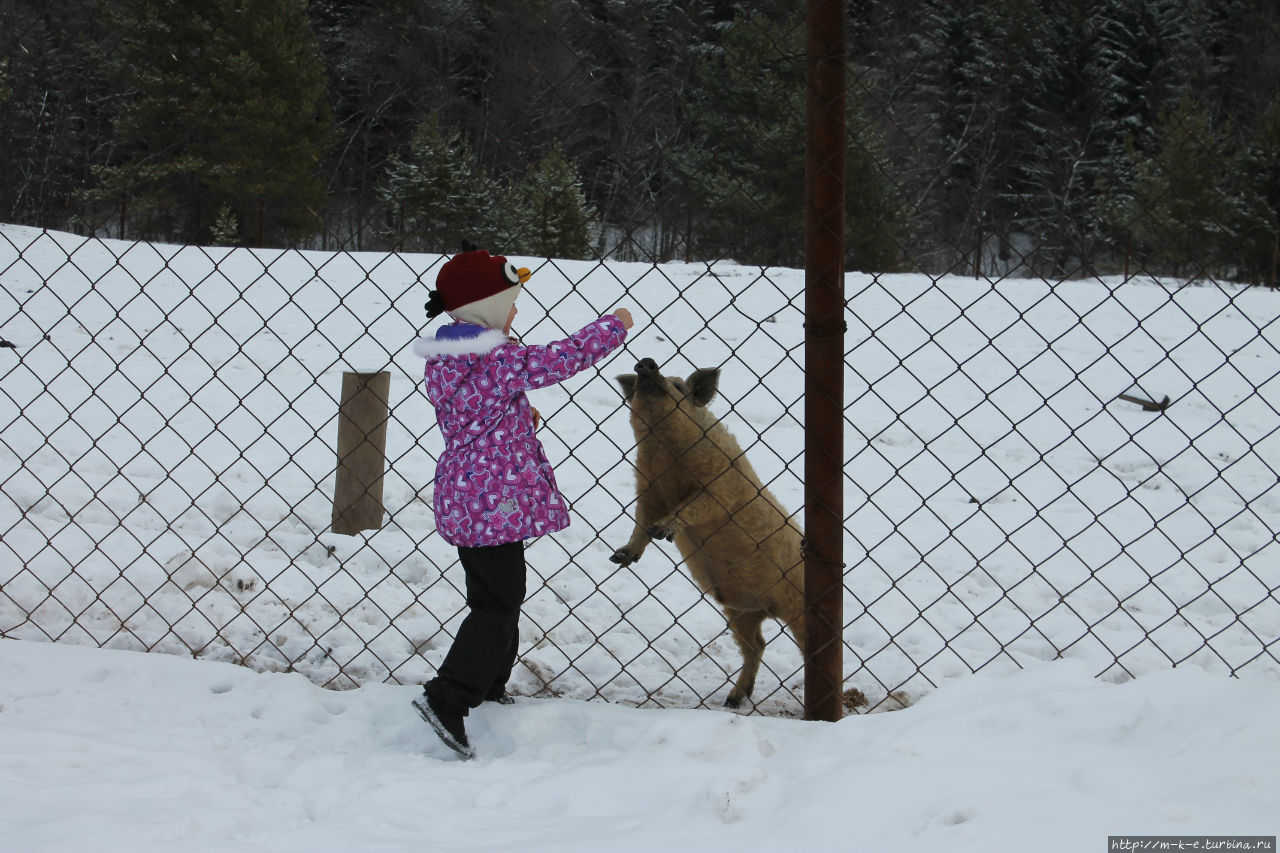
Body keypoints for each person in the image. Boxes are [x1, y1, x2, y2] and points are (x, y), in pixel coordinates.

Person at [410, 248, 634, 759]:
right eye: (510, 305)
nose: (515, 316)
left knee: (496, 599)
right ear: (486, 309)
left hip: (472, 501)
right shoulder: (495, 359)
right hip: (491, 507)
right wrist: (613, 326)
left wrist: (514, 418)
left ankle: (489, 684)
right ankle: (449, 696)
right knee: (498, 605)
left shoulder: (454, 356)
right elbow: (560, 358)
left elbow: (476, 413)